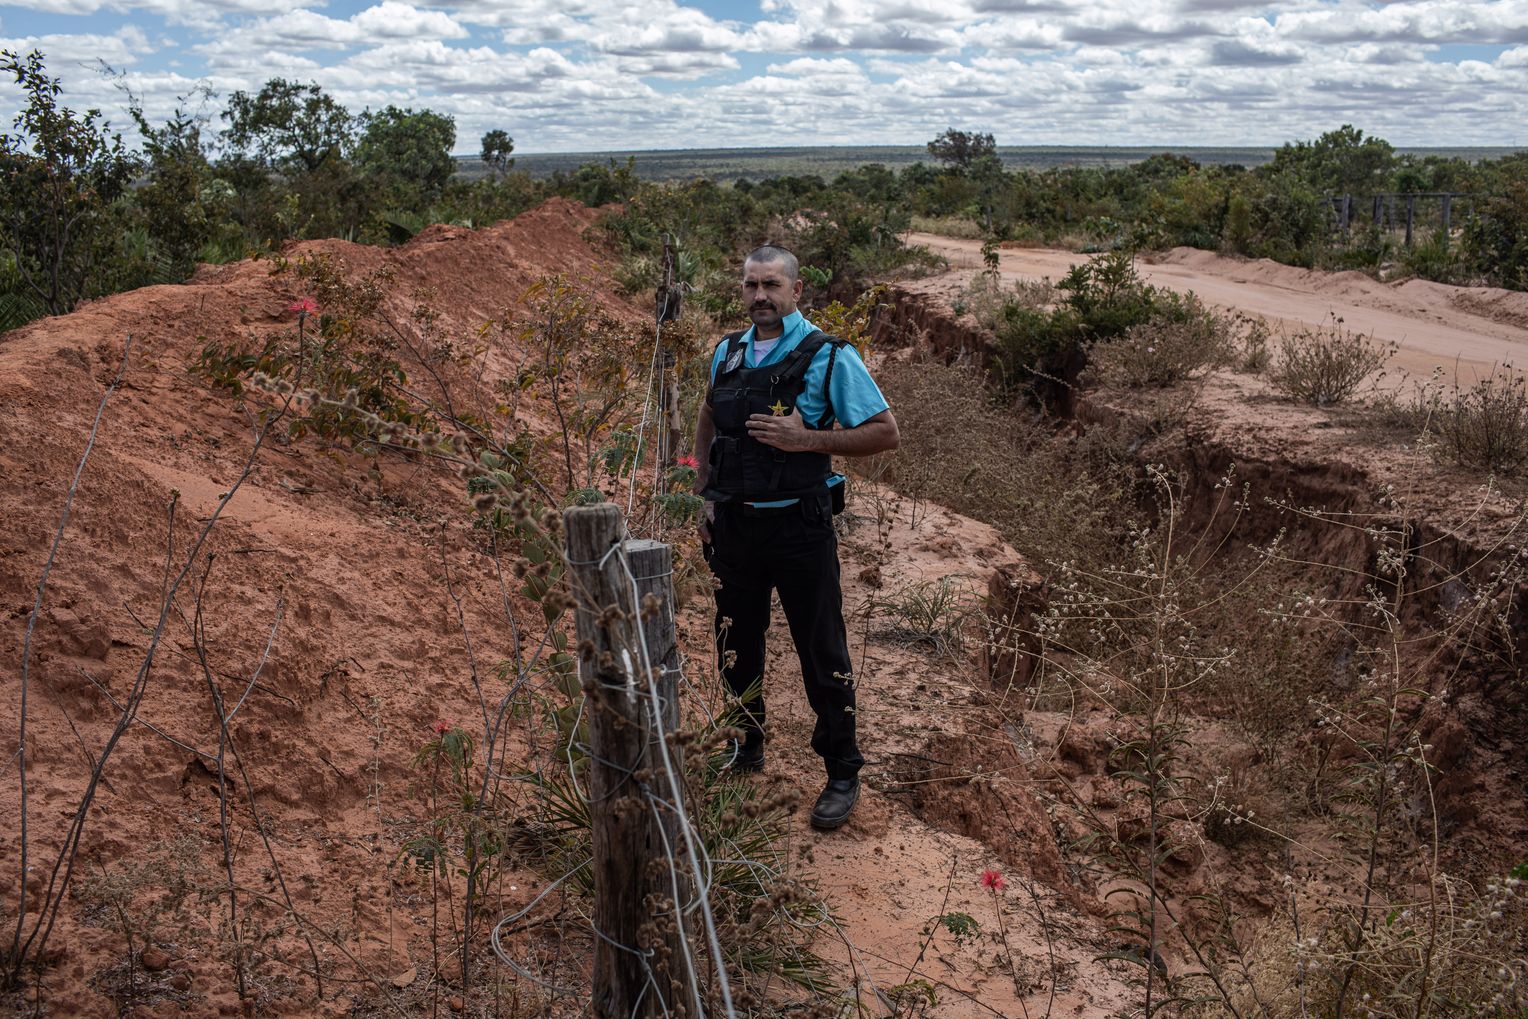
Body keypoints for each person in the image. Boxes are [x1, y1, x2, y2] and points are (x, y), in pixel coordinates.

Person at [692, 244, 899, 830]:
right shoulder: (727, 352)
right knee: (736, 642)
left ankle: (841, 770)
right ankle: (745, 744)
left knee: (821, 649)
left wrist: (805, 440)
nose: (761, 296)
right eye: (751, 286)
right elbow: (709, 416)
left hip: (799, 527)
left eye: (772, 286)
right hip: (733, 525)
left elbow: (885, 434)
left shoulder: (830, 357)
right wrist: (704, 490)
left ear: (797, 291)